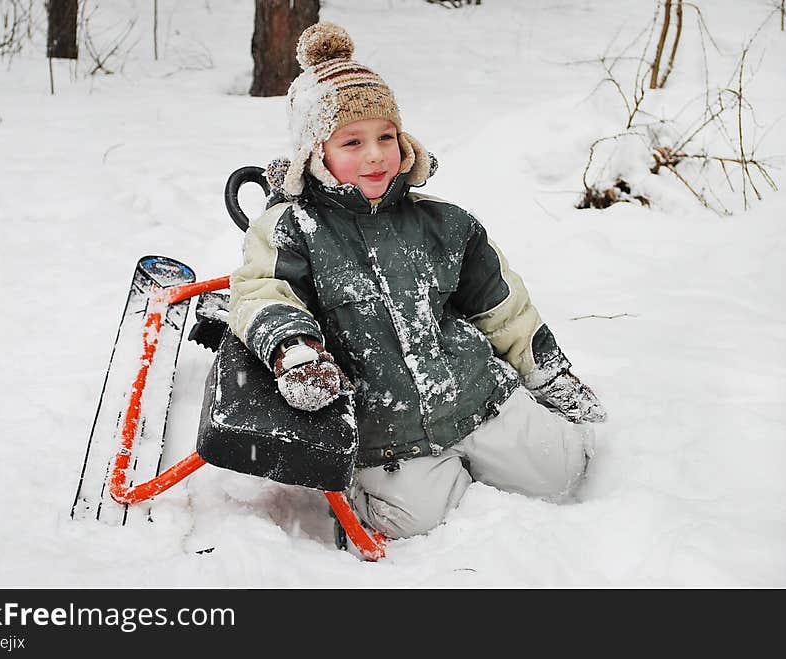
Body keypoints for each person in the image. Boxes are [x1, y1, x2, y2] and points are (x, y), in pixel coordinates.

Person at [228, 22, 606, 540]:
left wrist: (547, 370)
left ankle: (488, 449)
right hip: (388, 428)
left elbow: (501, 306)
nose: (376, 154)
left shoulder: (443, 222)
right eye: (352, 141)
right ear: (314, 153)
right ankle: (370, 490)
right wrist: (297, 353)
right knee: (415, 523)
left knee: (564, 469)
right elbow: (262, 293)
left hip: (472, 394)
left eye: (386, 136)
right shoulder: (294, 230)